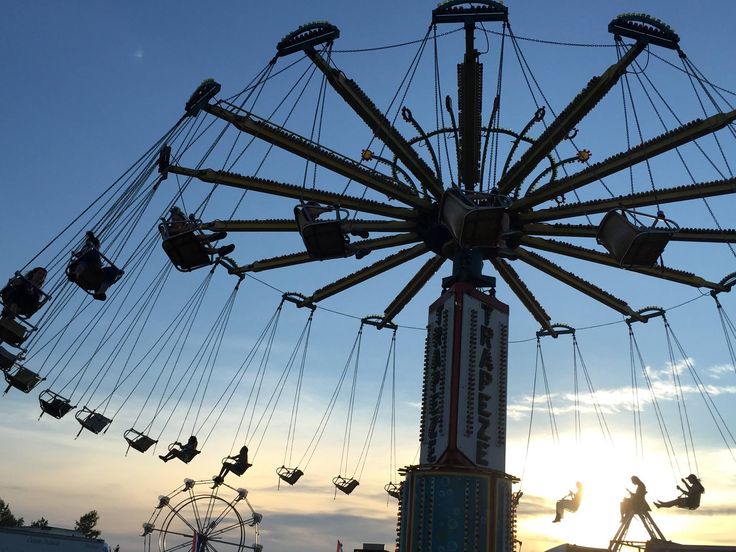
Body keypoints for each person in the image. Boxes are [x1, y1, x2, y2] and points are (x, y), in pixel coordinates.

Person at [68, 231, 123, 301]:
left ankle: (100, 292)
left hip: (92, 279)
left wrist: (116, 273)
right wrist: (91, 238)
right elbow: (82, 253)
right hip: (79, 270)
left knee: (113, 271)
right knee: (92, 254)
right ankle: (75, 274)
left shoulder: (95, 255)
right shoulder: (89, 251)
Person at [163, 206, 234, 257]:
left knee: (202, 248)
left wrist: (194, 224)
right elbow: (182, 230)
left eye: (178, 220)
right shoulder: (171, 230)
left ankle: (219, 250)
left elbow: (189, 227)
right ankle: (211, 237)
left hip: (189, 248)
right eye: (173, 220)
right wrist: (192, 225)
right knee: (195, 238)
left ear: (183, 222)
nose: (174, 222)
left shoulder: (185, 229)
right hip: (179, 248)